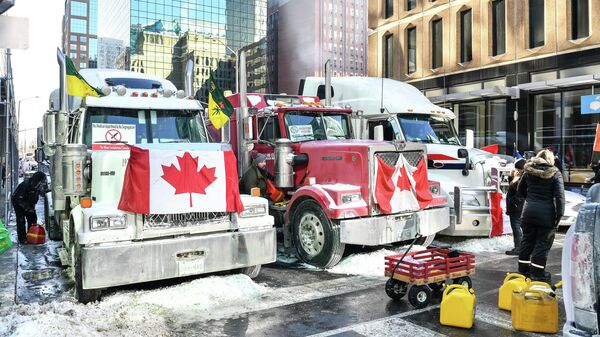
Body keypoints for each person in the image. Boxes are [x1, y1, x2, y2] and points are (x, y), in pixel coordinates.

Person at [516, 150, 565, 282]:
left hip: (529, 212)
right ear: (550, 160)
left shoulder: (528, 171)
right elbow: (560, 197)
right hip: (547, 215)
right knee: (542, 244)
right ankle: (537, 274)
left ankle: (523, 271)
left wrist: (531, 201)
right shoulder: (555, 173)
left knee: (527, 241)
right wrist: (559, 215)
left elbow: (520, 190)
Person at [12, 171, 47, 244]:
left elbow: (41, 193)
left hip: (29, 203)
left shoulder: (37, 186)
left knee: (33, 218)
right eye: (42, 181)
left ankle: (31, 235)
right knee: (21, 221)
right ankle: (22, 239)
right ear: (38, 180)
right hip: (18, 203)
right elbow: (18, 199)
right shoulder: (25, 185)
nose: (42, 183)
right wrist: (27, 208)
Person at [505, 158, 526, 256]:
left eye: (518, 168)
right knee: (519, 228)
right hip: (518, 206)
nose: (516, 170)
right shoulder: (523, 176)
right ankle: (520, 247)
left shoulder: (522, 178)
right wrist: (511, 177)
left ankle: (518, 248)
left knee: (516, 227)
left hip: (517, 206)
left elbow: (516, 189)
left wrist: (514, 178)